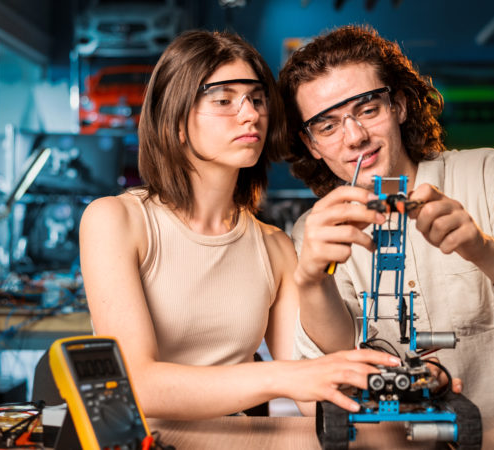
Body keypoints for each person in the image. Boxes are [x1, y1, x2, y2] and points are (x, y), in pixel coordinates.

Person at [79, 30, 401, 421]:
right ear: (176, 120)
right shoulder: (116, 220)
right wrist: (282, 376)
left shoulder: (275, 247)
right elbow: (137, 385)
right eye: (224, 100)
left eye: (257, 99)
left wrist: (400, 389)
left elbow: (310, 394)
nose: (250, 114)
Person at [278, 25, 494, 416]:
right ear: (311, 144)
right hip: (393, 441)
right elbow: (340, 359)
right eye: (327, 125)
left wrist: (482, 248)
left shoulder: (486, 173)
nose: (355, 136)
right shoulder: (317, 228)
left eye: (367, 109)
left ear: (398, 105)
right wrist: (314, 280)